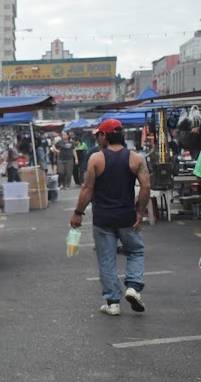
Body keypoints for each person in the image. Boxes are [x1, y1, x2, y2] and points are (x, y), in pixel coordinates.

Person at [70, 119, 151, 316]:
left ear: (105, 136)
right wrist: (140, 212)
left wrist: (78, 213)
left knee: (106, 259)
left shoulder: (96, 159)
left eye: (99, 134)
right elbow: (146, 187)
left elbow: (87, 189)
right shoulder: (136, 158)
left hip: (103, 218)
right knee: (135, 252)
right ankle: (133, 286)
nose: (98, 138)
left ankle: (113, 302)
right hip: (127, 217)